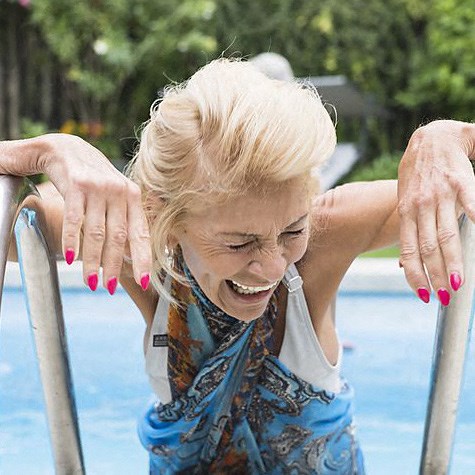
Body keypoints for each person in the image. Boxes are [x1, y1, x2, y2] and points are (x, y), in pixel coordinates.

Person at [1, 58, 474, 473]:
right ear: (166, 217)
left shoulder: (328, 235)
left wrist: (447, 137)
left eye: (292, 230)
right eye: (239, 242)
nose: (270, 267)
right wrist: (44, 150)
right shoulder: (138, 242)